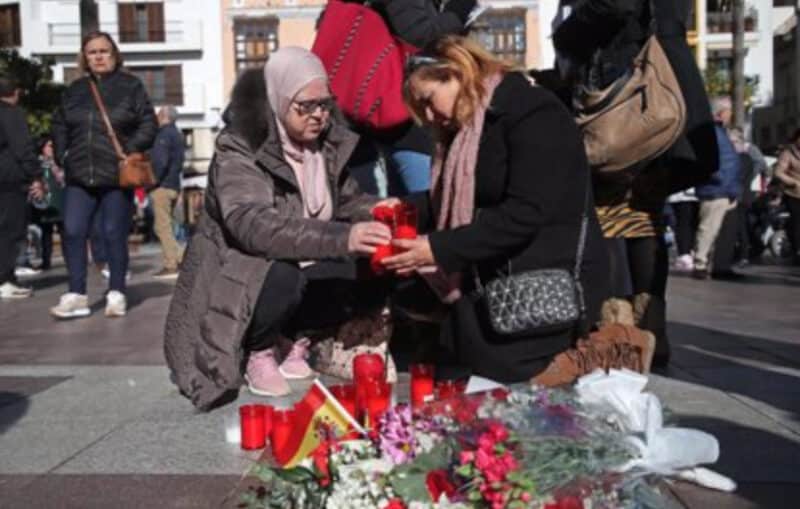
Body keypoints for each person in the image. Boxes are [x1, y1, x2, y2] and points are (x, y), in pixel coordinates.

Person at [384, 36, 652, 386]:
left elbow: (526, 212)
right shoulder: (469, 126)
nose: (430, 117)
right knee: (455, 362)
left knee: (498, 378)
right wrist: (405, 209)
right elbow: (458, 194)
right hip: (495, 267)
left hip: (546, 275)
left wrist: (438, 248)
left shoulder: (532, 112)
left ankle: (605, 348)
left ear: (456, 72)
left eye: (428, 101)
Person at [164, 48, 398, 410]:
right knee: (281, 276)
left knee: (373, 264)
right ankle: (258, 350)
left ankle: (291, 337)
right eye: (306, 105)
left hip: (302, 256)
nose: (320, 115)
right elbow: (253, 226)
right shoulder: (241, 145)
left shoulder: (327, 145)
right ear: (278, 99)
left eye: (325, 104)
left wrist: (378, 209)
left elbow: (346, 201)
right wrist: (342, 237)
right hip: (239, 268)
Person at [551, 0, 717, 367]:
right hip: (662, 91)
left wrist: (568, 31)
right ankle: (650, 326)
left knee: (609, 213)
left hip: (627, 93)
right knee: (644, 213)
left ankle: (618, 331)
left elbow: (615, 5)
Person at [50, 31, 157, 319]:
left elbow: (149, 125)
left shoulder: (131, 86)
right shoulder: (74, 90)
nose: (98, 56)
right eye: (92, 52)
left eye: (104, 51)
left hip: (116, 174)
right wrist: (64, 154)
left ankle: (117, 291)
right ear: (84, 57)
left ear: (114, 54)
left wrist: (128, 151)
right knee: (72, 230)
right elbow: (59, 124)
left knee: (113, 233)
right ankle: (76, 294)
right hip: (79, 174)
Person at [345, 0, 477, 196]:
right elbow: (420, 36)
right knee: (424, 207)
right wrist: (460, 8)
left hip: (383, 117)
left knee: (403, 210)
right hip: (405, 121)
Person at [0, 76, 44, 299]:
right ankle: (4, 279)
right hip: (8, 181)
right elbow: (23, 148)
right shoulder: (11, 114)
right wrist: (36, 176)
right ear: (15, 93)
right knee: (11, 230)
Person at [692, 98, 742, 279]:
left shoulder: (719, 131)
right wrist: (717, 179)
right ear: (721, 112)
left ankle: (715, 264)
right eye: (728, 111)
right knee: (709, 228)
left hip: (725, 188)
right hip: (717, 188)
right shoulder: (712, 131)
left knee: (719, 231)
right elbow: (708, 160)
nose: (731, 114)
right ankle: (700, 263)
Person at [149, 105, 185, 279]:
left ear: (164, 116)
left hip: (163, 186)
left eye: (158, 113)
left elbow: (160, 162)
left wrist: (152, 181)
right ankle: (181, 257)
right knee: (165, 226)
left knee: (162, 227)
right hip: (173, 184)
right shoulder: (177, 134)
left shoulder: (164, 135)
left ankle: (171, 264)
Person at [32, 137, 65, 271]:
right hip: (45, 203)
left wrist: (54, 165)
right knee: (46, 233)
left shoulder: (58, 163)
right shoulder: (38, 164)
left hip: (60, 201)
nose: (51, 149)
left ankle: (70, 260)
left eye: (52, 146)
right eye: (49, 146)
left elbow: (62, 180)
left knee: (65, 232)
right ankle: (46, 261)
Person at [774, 128, 800, 265]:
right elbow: (778, 172)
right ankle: (797, 250)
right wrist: (793, 182)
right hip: (794, 193)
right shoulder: (788, 153)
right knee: (797, 223)